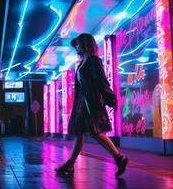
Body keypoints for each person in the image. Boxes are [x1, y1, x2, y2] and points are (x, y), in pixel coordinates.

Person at [55, 33, 128, 176]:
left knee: (94, 133)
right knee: (80, 133)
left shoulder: (94, 61)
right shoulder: (83, 62)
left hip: (90, 103)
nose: (76, 47)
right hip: (82, 104)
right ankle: (71, 164)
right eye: (75, 45)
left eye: (78, 44)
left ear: (85, 44)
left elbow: (101, 80)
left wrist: (110, 97)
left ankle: (119, 158)